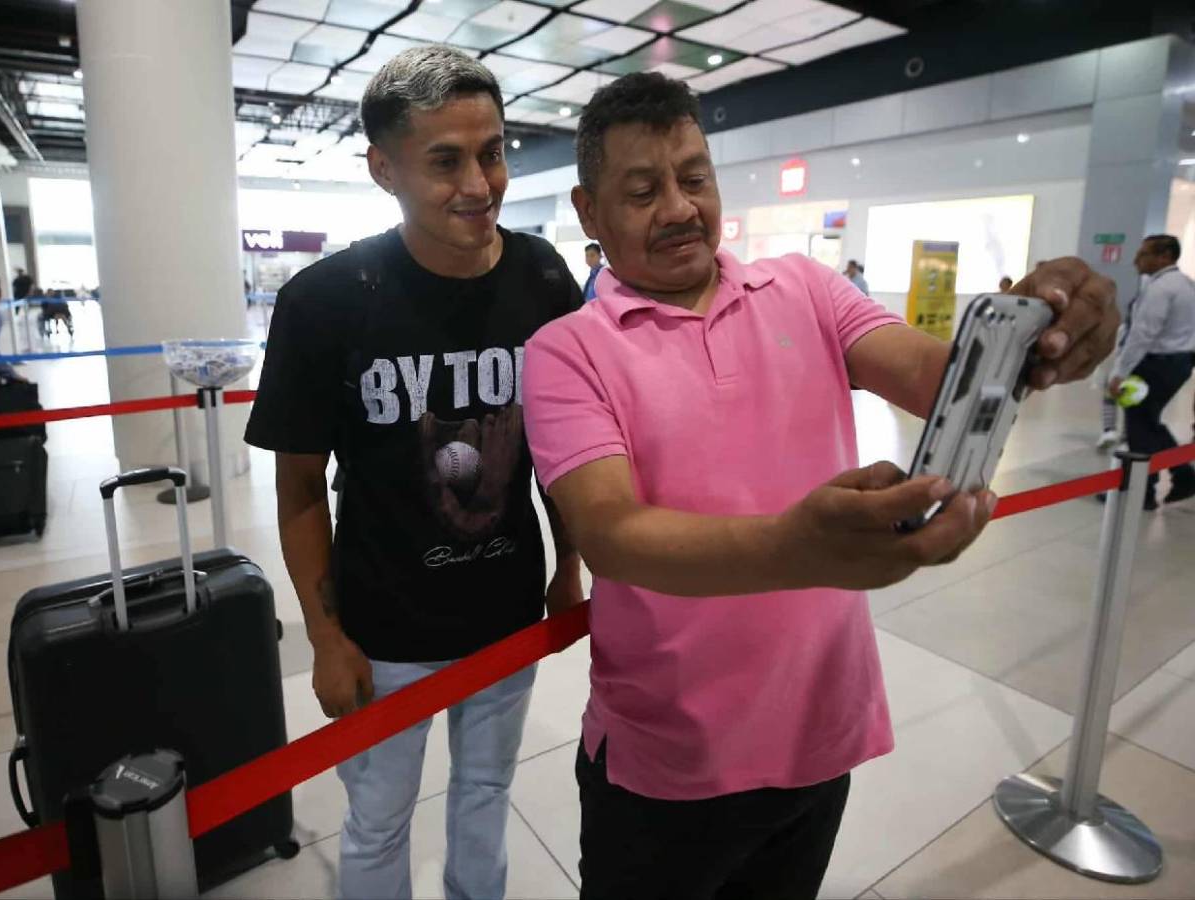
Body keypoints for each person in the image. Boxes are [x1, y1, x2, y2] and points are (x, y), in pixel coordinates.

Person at [521, 72, 1118, 900]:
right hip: (666, 762)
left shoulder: (803, 287)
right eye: (642, 190)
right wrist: (795, 546)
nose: (680, 208)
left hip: (817, 733)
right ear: (590, 213)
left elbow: (927, 372)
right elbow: (612, 533)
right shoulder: (566, 350)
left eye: (694, 177)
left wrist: (1029, 335)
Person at [244, 45, 584, 900]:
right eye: (445, 160)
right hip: (382, 628)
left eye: (494, 150)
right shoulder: (326, 301)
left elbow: (563, 444)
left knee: (485, 797)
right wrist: (327, 638)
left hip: (507, 608)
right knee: (378, 822)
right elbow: (296, 492)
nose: (480, 182)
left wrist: (568, 566)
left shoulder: (544, 276)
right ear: (383, 169)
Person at [1108, 234, 1195, 508]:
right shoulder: (1184, 284)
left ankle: (1144, 492)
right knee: (1148, 422)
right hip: (1178, 362)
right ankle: (1179, 475)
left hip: (1156, 363)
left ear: (1165, 256)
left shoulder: (1161, 289)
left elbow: (1143, 334)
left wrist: (1120, 371)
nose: (1136, 260)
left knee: (1140, 426)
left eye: (1144, 254)